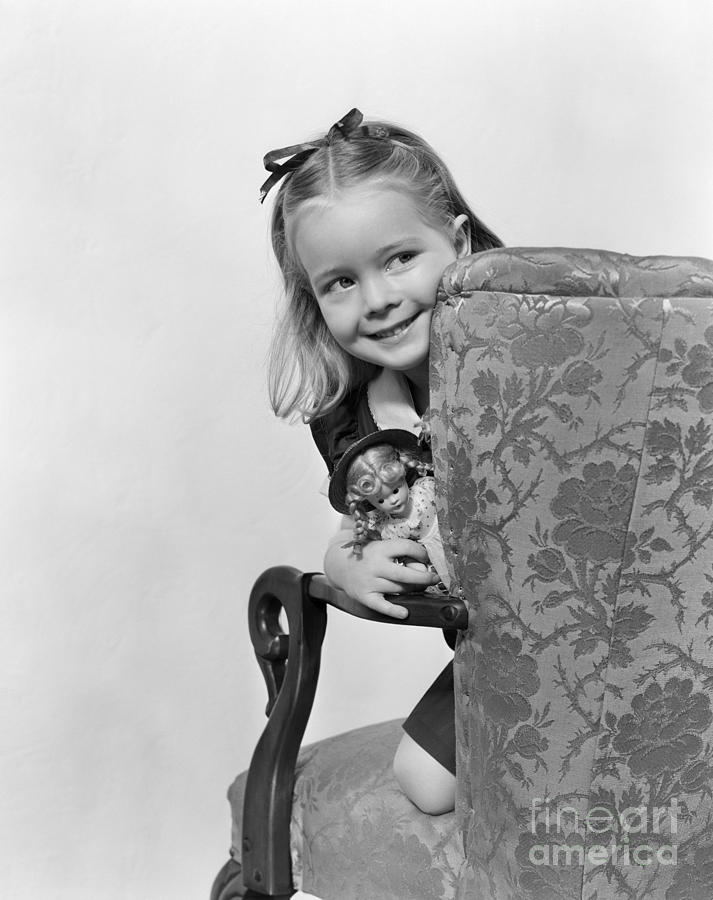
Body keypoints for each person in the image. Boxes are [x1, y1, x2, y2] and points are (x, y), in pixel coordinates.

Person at [262, 108, 502, 814]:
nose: (378, 300)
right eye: (339, 281)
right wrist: (344, 562)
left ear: (456, 243)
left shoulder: (527, 365)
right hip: (501, 649)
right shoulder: (361, 426)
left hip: (612, 605)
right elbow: (361, 530)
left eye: (400, 258)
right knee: (426, 781)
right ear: (312, 298)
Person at [330, 428, 449, 593]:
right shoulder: (388, 526)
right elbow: (347, 532)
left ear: (403, 475)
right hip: (429, 554)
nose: (393, 500)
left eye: (395, 490)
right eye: (380, 500)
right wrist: (343, 566)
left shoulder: (425, 489)